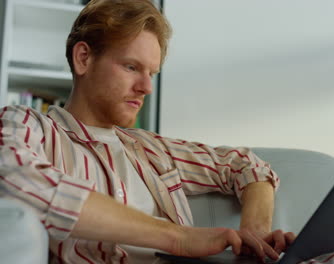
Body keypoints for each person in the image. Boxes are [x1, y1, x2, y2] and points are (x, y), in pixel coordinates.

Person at [0, 0, 295, 263]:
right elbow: (14, 178)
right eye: (131, 67)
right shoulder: (28, 125)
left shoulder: (151, 149)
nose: (147, 87)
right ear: (83, 58)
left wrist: (255, 233)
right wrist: (178, 237)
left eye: (151, 73)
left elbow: (244, 164)